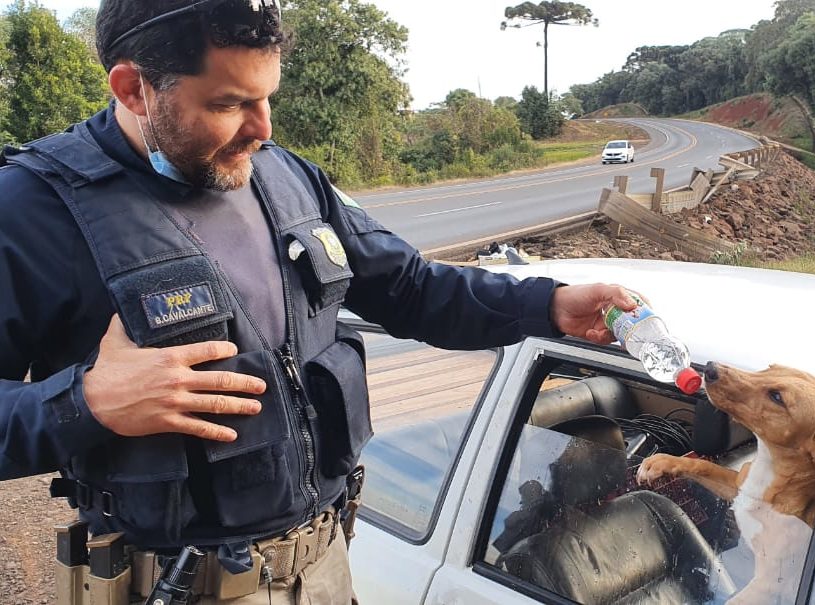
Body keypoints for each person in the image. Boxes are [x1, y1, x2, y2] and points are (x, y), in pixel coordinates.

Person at [0, 1, 638, 602]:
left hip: (326, 564)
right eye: (229, 103)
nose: (263, 128)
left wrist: (549, 306)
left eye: (267, 97)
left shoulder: (287, 176)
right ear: (134, 89)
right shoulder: (30, 211)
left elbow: (409, 288)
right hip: (171, 584)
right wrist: (84, 405)